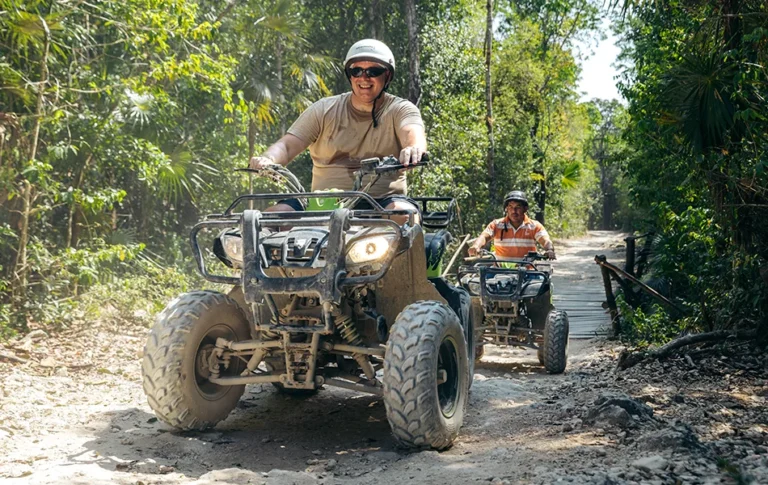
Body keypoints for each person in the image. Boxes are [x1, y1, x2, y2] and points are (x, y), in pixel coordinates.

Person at [249, 39, 426, 224]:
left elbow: (412, 133)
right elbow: (286, 146)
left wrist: (413, 149)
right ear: (349, 75)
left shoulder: (400, 109)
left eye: (374, 72)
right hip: (321, 203)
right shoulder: (324, 109)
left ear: (387, 75)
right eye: (356, 71)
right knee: (269, 220)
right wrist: (268, 159)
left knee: (404, 215)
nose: (364, 78)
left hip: (382, 202)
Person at [468, 190, 557, 260]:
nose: (514, 211)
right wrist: (476, 246)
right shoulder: (496, 224)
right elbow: (484, 236)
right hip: (500, 271)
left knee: (541, 282)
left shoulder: (534, 226)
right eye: (510, 207)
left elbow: (545, 241)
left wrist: (549, 250)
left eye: (518, 207)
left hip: (528, 272)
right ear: (506, 209)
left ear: (525, 208)